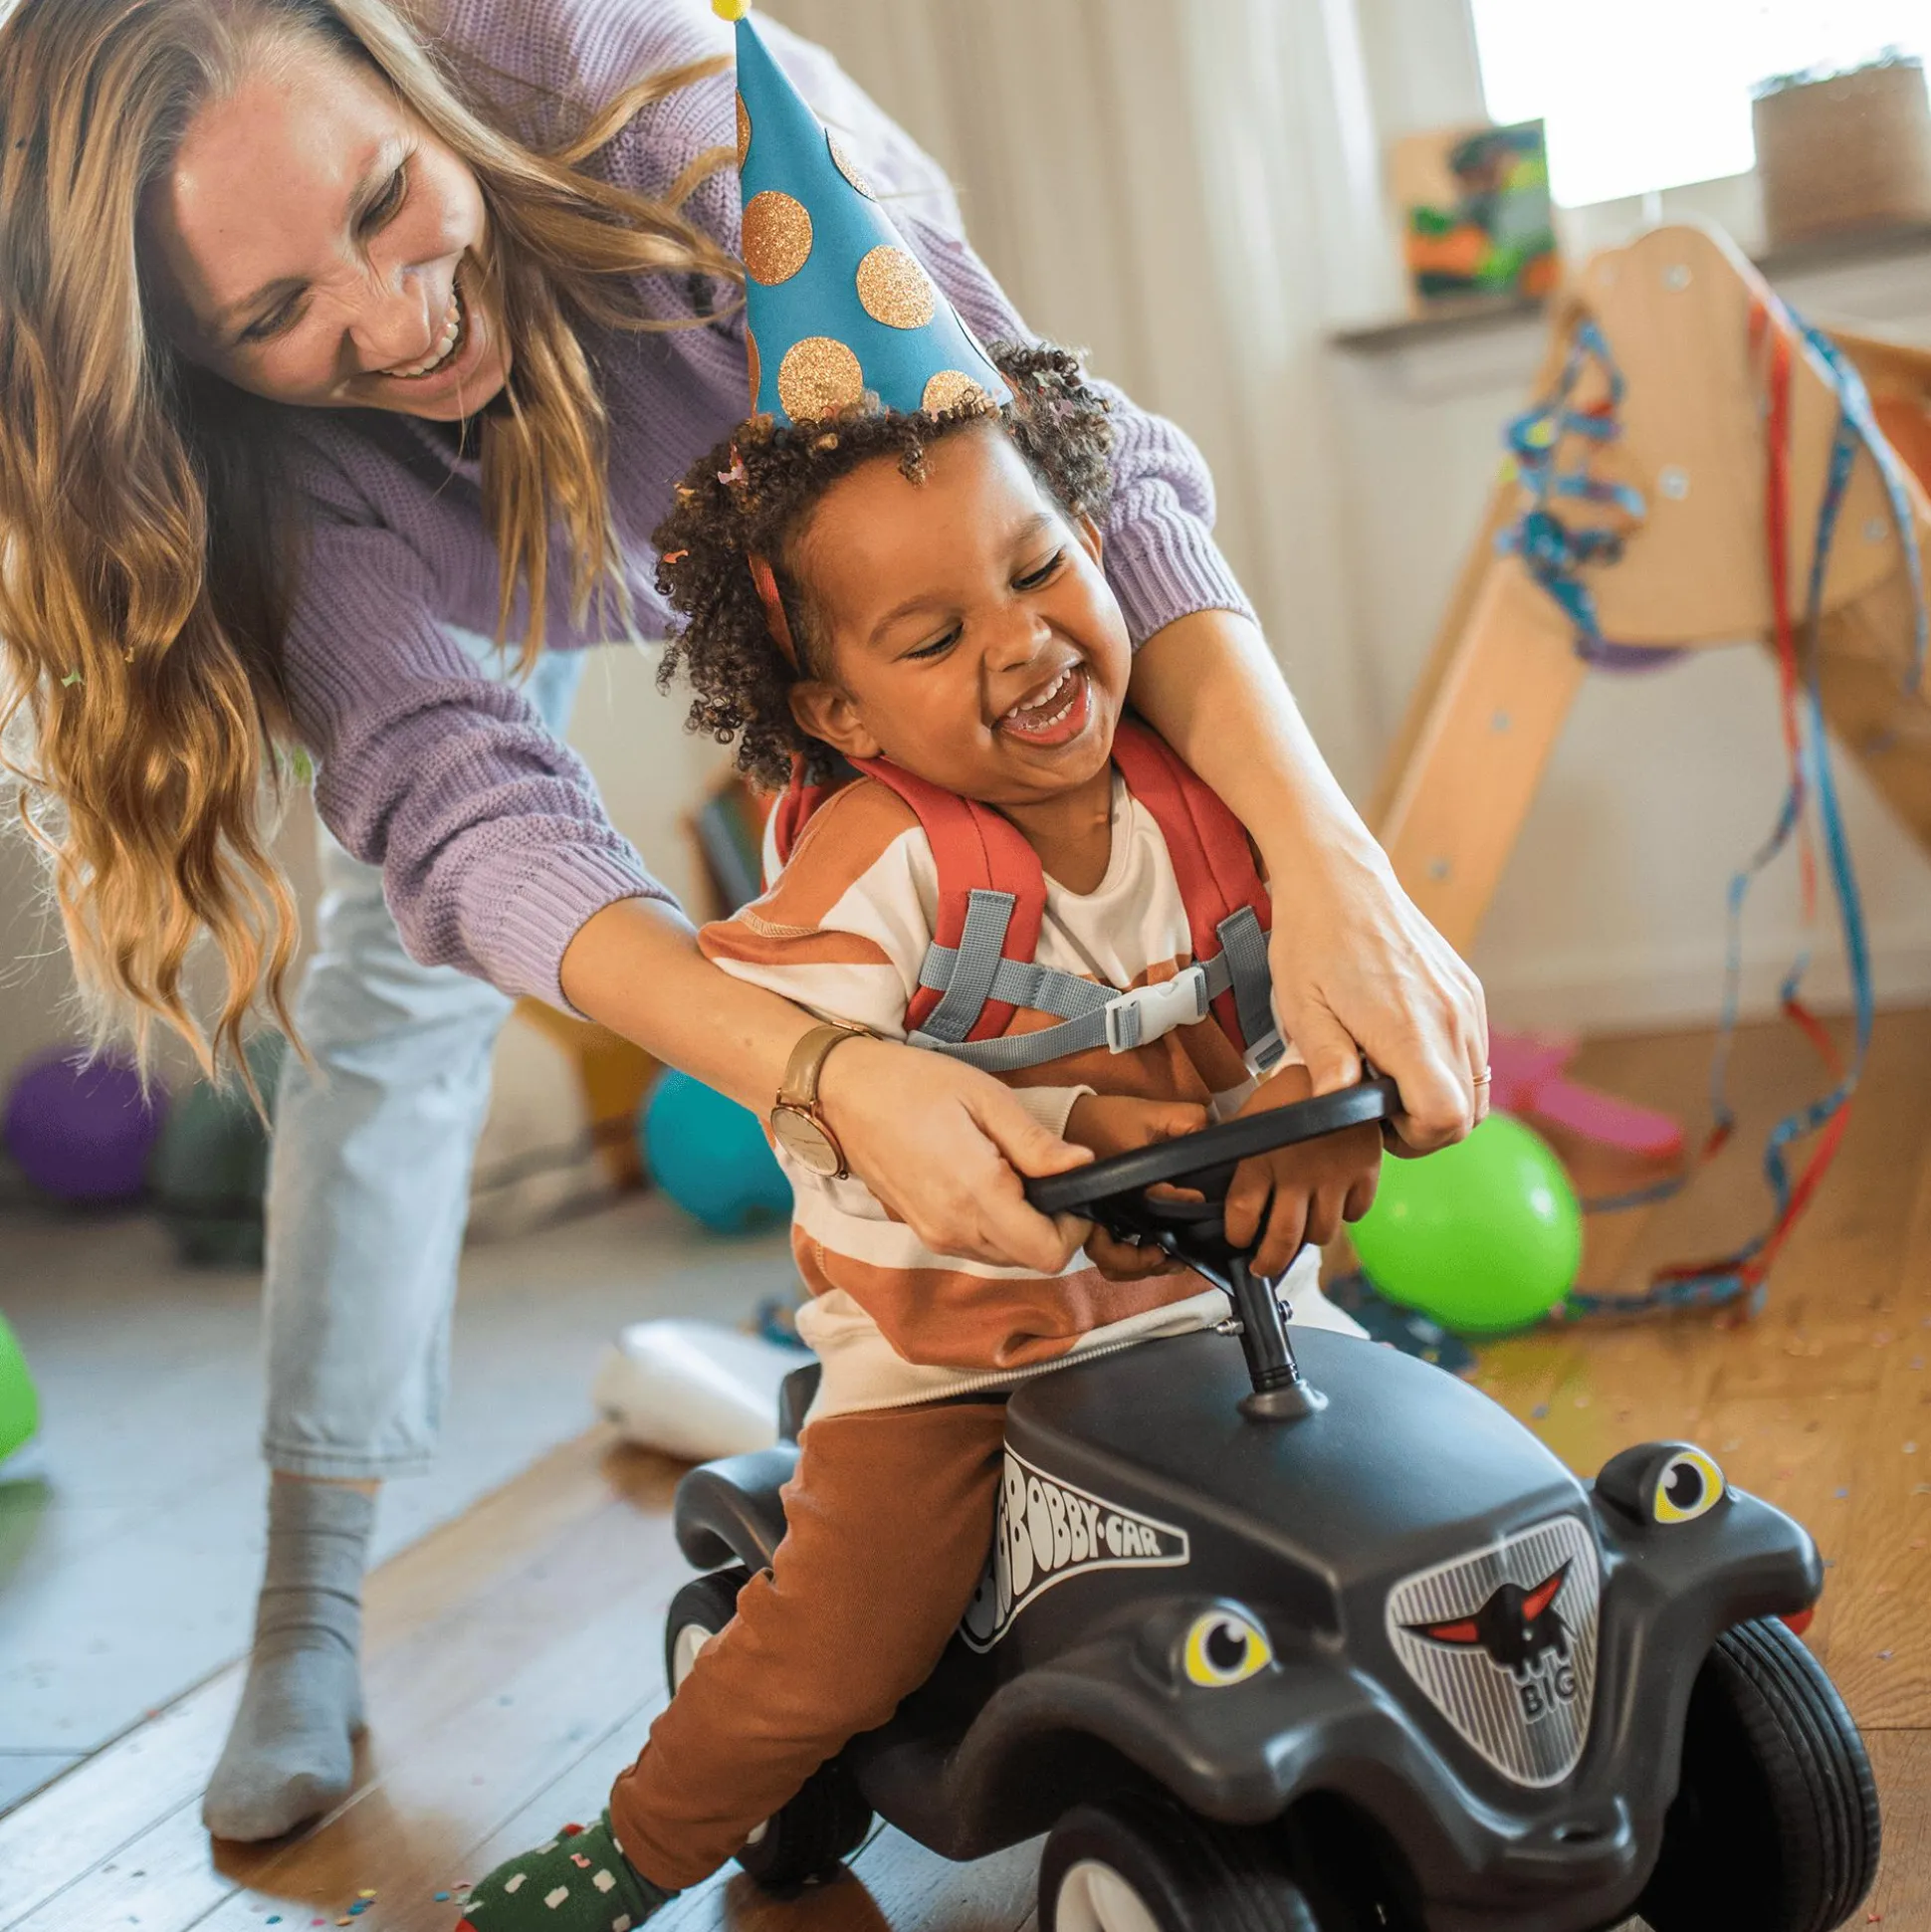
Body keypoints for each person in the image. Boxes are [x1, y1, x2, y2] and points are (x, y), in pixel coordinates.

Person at [0, 0, 1485, 1848]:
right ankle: (308, 1590)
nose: (390, 320)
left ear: (415, 77)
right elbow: (453, 793)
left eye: (389, 204)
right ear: (189, 358)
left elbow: (1079, 510)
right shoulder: (263, 447)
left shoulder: (632, 94)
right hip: (537, 556)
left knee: (1042, 830)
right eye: (275, 314)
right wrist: (825, 1071)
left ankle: (1196, 1305)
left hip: (857, 453)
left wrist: (1336, 863)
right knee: (387, 994)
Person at [449, 22, 1388, 1925]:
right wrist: (1043, 1139)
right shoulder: (869, 869)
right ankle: (626, 1845)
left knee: (1392, 1481)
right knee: (845, 1638)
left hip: (1219, 1304)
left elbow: (1300, 1021)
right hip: (966, 1346)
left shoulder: (1192, 792)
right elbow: (801, 1078)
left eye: (1046, 573)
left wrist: (1305, 1115)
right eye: (935, 632)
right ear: (829, 702)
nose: (1030, 650)